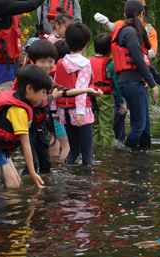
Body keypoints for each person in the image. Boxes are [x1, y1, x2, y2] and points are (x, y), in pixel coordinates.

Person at [24, 39, 101, 168]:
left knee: (45, 163)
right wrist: (51, 98)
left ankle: (44, 183)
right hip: (28, 127)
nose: (47, 65)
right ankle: (30, 179)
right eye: (42, 62)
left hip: (41, 126)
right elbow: (29, 103)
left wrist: (87, 90)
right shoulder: (27, 77)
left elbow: (63, 90)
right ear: (32, 61)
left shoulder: (48, 80)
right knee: (32, 162)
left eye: (50, 61)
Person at [0, 65, 51, 188]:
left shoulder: (16, 97)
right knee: (13, 185)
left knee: (16, 182)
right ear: (29, 89)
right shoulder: (18, 110)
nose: (44, 96)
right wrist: (33, 172)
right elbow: (25, 145)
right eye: (43, 92)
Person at [112, 0, 160, 149]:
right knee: (138, 126)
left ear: (125, 14)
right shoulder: (129, 32)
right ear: (142, 14)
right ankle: (128, 155)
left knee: (146, 128)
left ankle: (144, 156)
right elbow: (138, 60)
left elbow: (145, 63)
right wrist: (153, 84)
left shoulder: (133, 32)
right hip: (130, 83)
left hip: (136, 83)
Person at [54, 22, 94, 165]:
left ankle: (68, 177)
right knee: (87, 153)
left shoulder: (60, 62)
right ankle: (86, 182)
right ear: (86, 45)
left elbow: (55, 88)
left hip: (64, 112)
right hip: (80, 112)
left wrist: (55, 112)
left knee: (74, 150)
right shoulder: (85, 63)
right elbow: (81, 89)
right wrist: (81, 113)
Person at [90, 33, 124, 148]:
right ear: (110, 50)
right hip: (105, 98)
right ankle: (108, 152)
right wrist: (122, 102)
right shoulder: (110, 65)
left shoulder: (87, 62)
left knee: (95, 125)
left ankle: (95, 150)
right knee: (107, 126)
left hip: (90, 97)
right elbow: (117, 86)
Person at [94, 0, 158, 59]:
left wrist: (135, 52)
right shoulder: (122, 24)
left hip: (142, 65)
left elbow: (153, 52)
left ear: (142, 13)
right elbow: (111, 27)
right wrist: (106, 22)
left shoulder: (149, 30)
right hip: (124, 66)